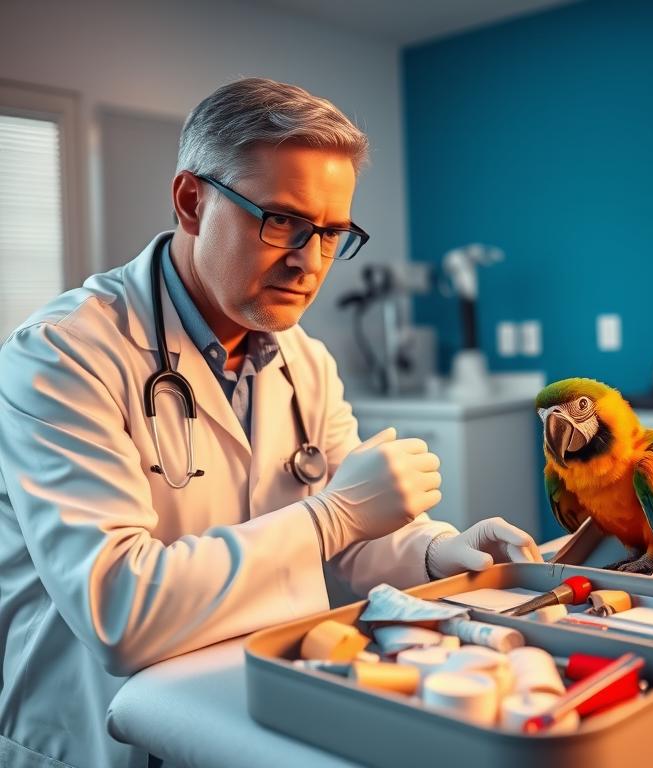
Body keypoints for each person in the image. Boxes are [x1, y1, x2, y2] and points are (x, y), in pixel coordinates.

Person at [0, 77, 541, 768]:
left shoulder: (304, 360)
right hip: (99, 733)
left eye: (331, 234)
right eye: (281, 220)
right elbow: (119, 612)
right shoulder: (62, 354)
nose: (309, 262)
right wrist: (332, 514)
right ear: (192, 202)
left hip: (246, 712)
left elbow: (350, 542)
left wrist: (437, 552)